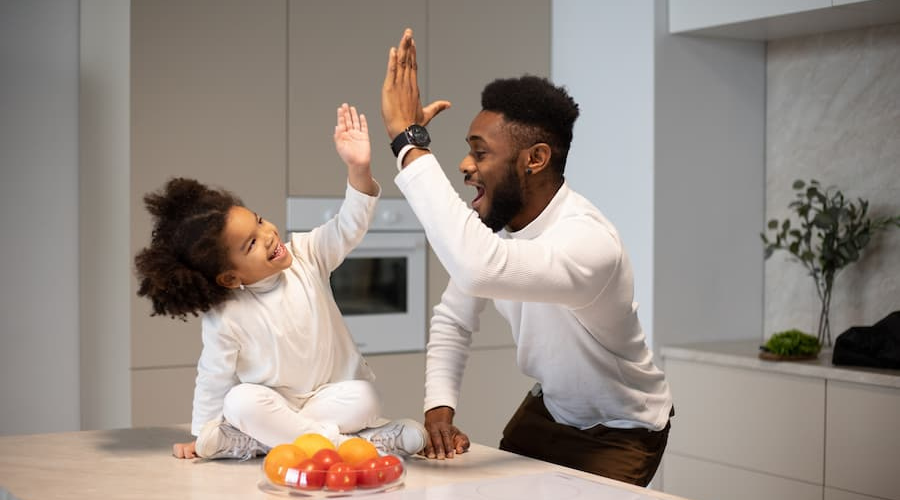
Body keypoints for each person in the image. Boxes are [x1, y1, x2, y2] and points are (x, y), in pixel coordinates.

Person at [380, 29, 673, 486]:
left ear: (534, 159)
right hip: (551, 408)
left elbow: (478, 266)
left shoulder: (588, 242)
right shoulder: (495, 231)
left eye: (480, 152)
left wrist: (408, 143)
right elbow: (454, 318)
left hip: (621, 429)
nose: (464, 164)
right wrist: (439, 410)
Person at [134, 104, 425, 460]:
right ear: (230, 277)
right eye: (251, 243)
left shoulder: (307, 254)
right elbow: (213, 377)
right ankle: (357, 445)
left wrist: (358, 168)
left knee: (366, 397)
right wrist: (202, 435)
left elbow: (350, 224)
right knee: (240, 401)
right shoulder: (225, 315)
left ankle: (261, 442)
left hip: (328, 399)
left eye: (259, 221)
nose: (269, 234)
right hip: (274, 405)